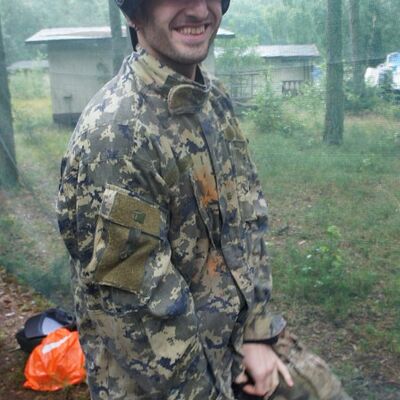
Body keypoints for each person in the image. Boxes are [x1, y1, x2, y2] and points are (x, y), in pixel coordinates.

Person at [57, 1, 352, 399]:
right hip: (174, 384)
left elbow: (246, 225)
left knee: (323, 389)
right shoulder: (117, 136)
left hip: (235, 347)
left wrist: (256, 332)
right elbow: (136, 320)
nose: (199, 9)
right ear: (134, 12)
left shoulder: (212, 101)